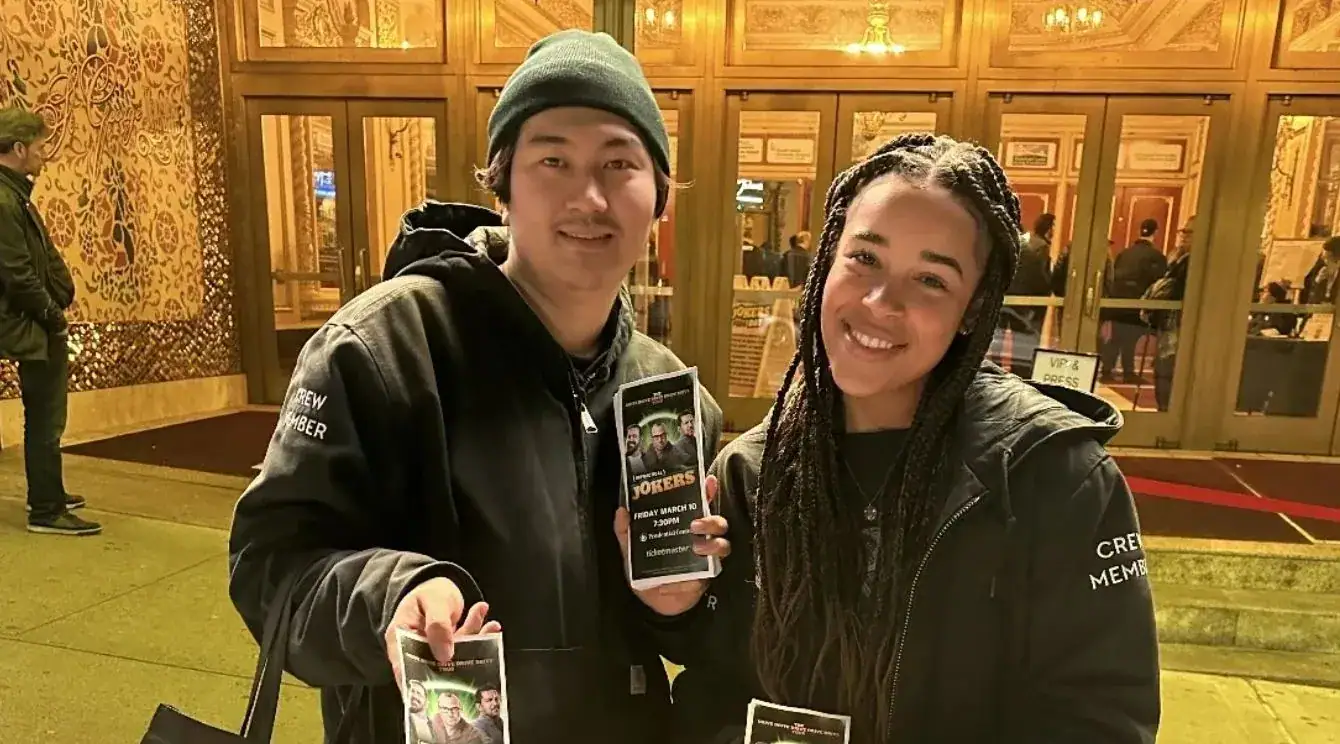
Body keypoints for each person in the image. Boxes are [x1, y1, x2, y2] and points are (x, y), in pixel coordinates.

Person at [228, 29, 727, 743]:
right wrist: (390, 596)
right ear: (503, 185)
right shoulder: (383, 352)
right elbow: (271, 569)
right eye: (553, 159)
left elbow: (688, 639)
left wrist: (675, 604)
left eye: (621, 163)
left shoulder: (670, 404)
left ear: (659, 201)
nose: (589, 196)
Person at [654, 134, 1159, 743]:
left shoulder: (1053, 477)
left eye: (931, 280)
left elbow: (1103, 719)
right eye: (864, 259)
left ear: (972, 309)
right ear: (827, 261)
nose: (879, 302)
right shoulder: (754, 472)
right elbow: (718, 685)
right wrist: (678, 605)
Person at [0, 106, 98, 536]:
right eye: (39, 146)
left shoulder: (13, 193)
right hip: (29, 324)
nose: (44, 154)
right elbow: (17, 273)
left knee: (44, 414)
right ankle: (46, 509)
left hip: (31, 320)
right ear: (19, 148)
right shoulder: (4, 199)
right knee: (45, 416)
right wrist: (53, 318)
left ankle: (48, 490)